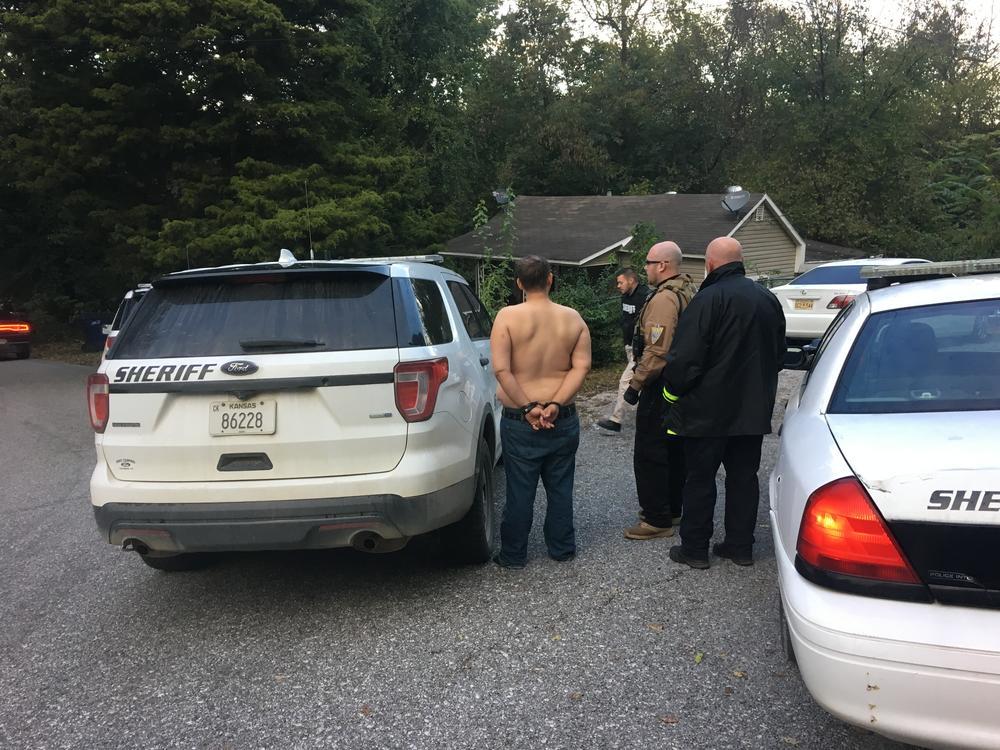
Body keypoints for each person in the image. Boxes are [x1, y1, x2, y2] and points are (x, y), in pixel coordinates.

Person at [660, 237, 786, 569]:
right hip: (751, 413)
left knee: (700, 479)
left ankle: (695, 549)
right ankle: (740, 546)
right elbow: (778, 355)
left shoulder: (707, 300)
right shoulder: (767, 300)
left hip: (706, 414)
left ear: (711, 264)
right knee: (744, 478)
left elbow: (685, 360)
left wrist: (670, 395)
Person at [490, 255, 592, 569]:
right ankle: (562, 549)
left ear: (519, 283)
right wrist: (555, 404)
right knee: (560, 487)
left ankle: (513, 554)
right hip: (562, 418)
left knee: (520, 489)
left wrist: (529, 408)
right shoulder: (572, 318)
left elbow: (502, 370)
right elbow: (582, 366)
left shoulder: (507, 317)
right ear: (550, 279)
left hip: (521, 421)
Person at [620, 242, 698, 541]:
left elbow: (657, 350)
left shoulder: (665, 299)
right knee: (674, 450)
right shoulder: (687, 289)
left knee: (650, 453)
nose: (646, 268)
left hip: (659, 384)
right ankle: (672, 509)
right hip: (679, 385)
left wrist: (636, 385)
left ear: (663, 265)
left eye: (649, 263)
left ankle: (656, 519)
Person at [597, 268, 649, 433]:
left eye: (620, 282)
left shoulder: (646, 296)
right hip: (630, 347)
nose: (618, 286)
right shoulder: (625, 296)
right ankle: (648, 416)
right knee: (643, 383)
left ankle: (616, 420)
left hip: (641, 349)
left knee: (625, 382)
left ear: (631, 280)